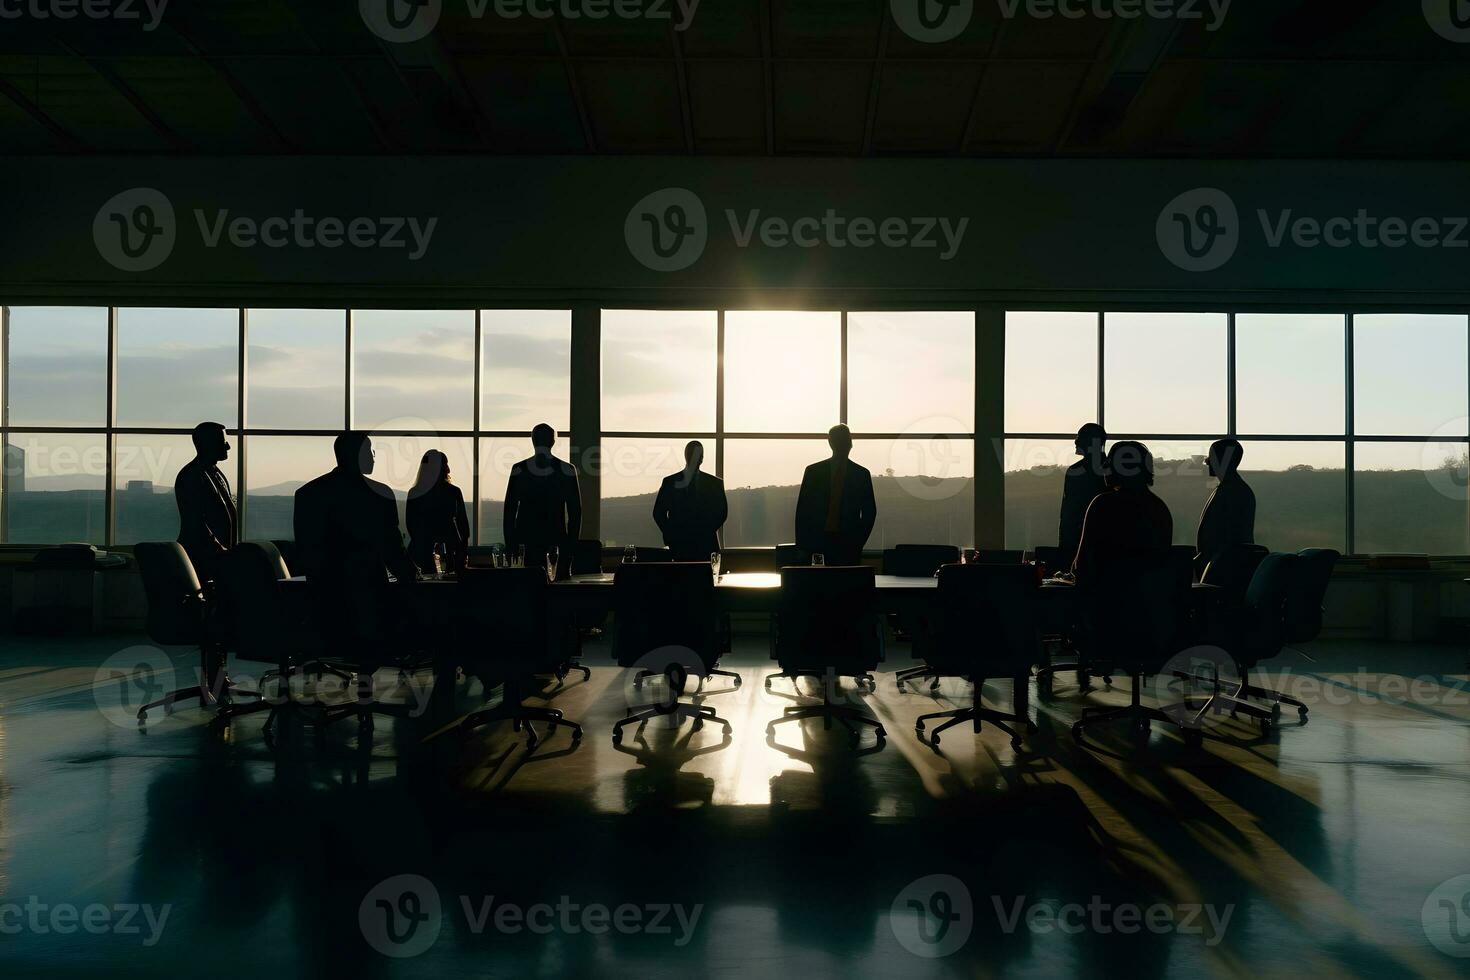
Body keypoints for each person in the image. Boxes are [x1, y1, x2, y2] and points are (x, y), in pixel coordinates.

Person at [293, 432, 419, 667]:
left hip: (324, 597)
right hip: (369, 595)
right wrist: (412, 577)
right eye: (370, 451)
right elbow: (391, 547)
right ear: (358, 455)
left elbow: (306, 548)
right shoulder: (379, 495)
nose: (373, 457)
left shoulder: (308, 494)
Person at [1070, 441, 1173, 588]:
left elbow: (1081, 564)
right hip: (1147, 601)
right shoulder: (1159, 508)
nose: (1104, 466)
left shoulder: (1102, 505)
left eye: (1109, 462)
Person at [503, 423, 582, 579]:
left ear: (533, 441)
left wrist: (510, 544)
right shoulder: (566, 470)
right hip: (556, 541)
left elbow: (510, 511)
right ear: (552, 442)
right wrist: (571, 546)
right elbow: (575, 513)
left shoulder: (520, 469)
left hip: (525, 541)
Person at [794, 424, 877, 566]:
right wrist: (858, 542)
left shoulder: (815, 472)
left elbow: (803, 511)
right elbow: (802, 511)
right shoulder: (860, 474)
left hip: (835, 542)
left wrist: (857, 542)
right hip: (827, 542)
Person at [175, 421, 237, 583]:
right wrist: (220, 550)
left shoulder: (214, 473)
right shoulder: (192, 476)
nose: (228, 446)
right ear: (208, 444)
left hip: (217, 558)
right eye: (223, 442)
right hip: (203, 559)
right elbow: (194, 520)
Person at [652, 441, 728, 561]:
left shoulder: (671, 482)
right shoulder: (714, 483)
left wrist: (671, 534)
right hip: (697, 543)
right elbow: (721, 513)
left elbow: (722, 513)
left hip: (693, 544)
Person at [1195, 438, 1256, 578]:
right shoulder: (1235, 489)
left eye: (1212, 457)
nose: (1207, 461)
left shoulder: (1232, 492)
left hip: (1223, 569)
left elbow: (1227, 537)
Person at [406, 449, 470, 574]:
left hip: (422, 551)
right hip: (451, 550)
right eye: (445, 464)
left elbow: (411, 526)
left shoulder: (415, 493)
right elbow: (463, 526)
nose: (448, 469)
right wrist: (462, 550)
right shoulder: (453, 492)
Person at [1058, 423, 1107, 567]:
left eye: (1080, 437)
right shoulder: (1112, 470)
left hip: (1075, 541)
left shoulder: (1075, 471)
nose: (1076, 441)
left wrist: (1064, 544)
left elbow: (1068, 513)